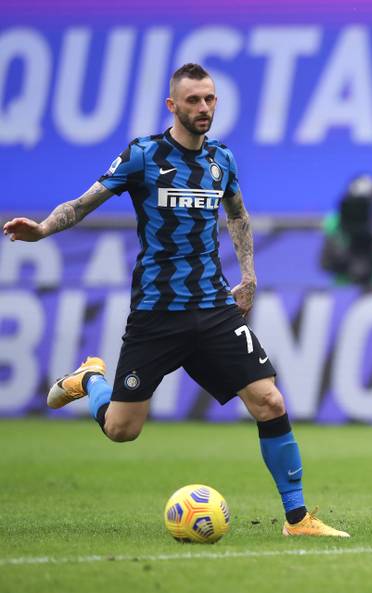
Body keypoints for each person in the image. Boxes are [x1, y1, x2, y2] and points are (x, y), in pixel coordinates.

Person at [2, 63, 348, 538]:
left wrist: (248, 275)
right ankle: (91, 380)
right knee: (123, 429)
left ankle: (297, 519)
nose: (203, 108)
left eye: (209, 99)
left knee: (269, 400)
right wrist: (43, 229)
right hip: (156, 314)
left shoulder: (221, 160)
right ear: (173, 106)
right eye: (193, 100)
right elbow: (84, 202)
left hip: (213, 307)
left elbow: (238, 216)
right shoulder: (144, 155)